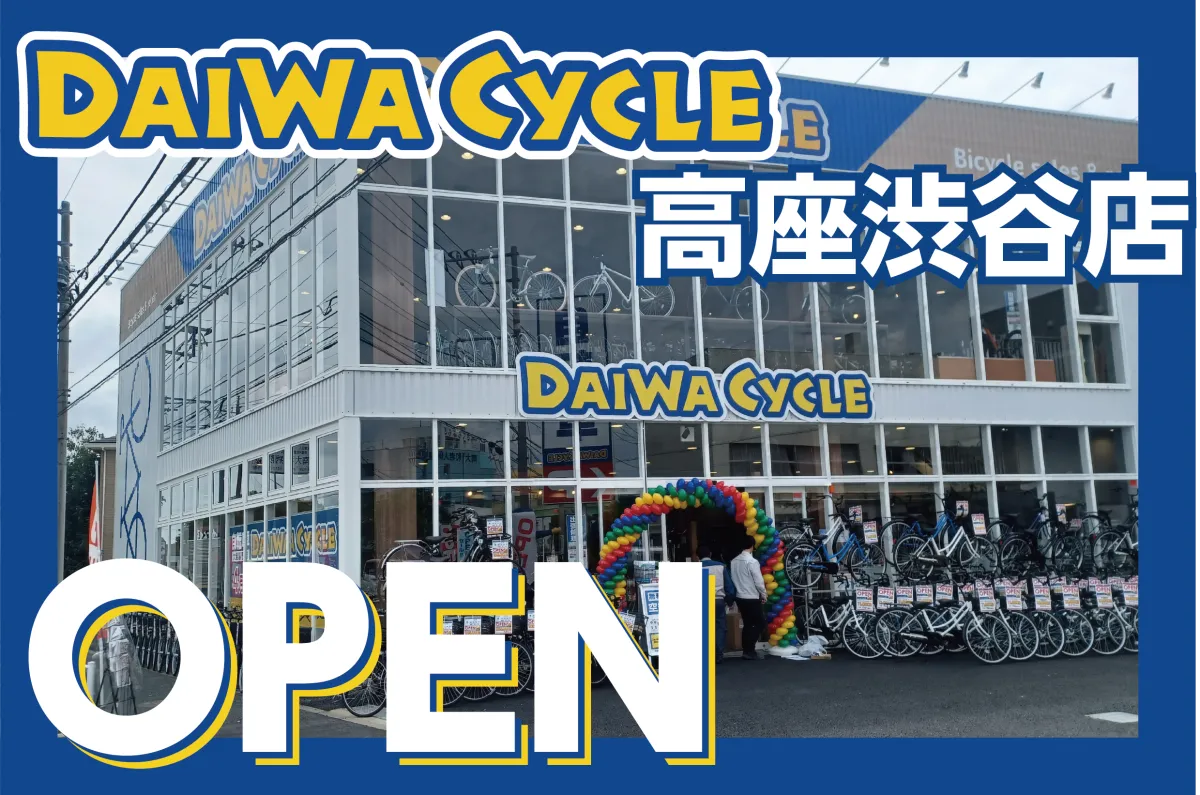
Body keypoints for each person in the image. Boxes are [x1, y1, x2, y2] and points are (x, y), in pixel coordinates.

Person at [730, 535, 768, 660]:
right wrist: (763, 594)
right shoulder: (752, 562)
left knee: (747, 623)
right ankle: (750, 649)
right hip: (751, 596)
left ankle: (747, 650)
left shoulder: (734, 561)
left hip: (740, 596)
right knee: (760, 623)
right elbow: (758, 581)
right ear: (752, 546)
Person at [697, 546, 736, 664]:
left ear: (697, 556)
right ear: (710, 554)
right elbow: (729, 586)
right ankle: (718, 654)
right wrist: (730, 601)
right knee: (719, 627)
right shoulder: (720, 566)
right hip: (718, 600)